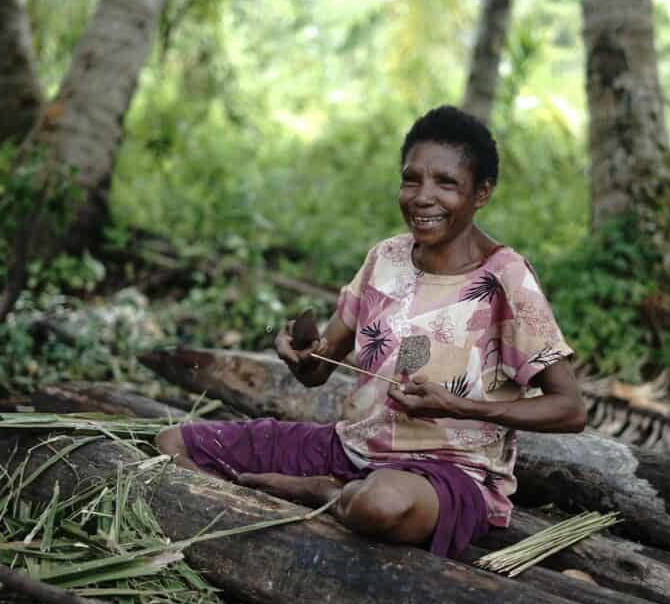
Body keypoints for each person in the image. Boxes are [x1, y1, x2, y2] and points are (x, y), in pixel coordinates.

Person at [156, 105, 586, 559]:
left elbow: (570, 409)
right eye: (411, 179)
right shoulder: (386, 258)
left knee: (382, 505)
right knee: (173, 444)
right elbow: (317, 371)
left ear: (481, 193)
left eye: (446, 183)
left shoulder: (506, 279)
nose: (423, 196)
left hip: (447, 476)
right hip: (352, 449)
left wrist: (457, 405)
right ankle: (331, 491)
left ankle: (322, 494)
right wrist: (300, 353)